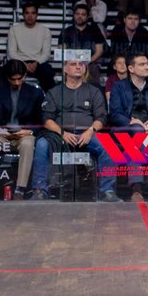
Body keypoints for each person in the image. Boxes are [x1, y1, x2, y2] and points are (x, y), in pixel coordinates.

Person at [28, 57, 121, 201]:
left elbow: (102, 117)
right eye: (73, 64)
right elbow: (47, 119)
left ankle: (107, 191)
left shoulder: (94, 91)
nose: (78, 67)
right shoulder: (54, 92)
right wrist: (62, 133)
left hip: (88, 134)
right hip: (59, 135)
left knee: (108, 146)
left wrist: (90, 131)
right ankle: (40, 190)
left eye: (81, 64)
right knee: (41, 144)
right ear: (65, 69)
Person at [0, 59, 43, 199]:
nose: (17, 82)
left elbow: (42, 121)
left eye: (20, 79)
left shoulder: (35, 93)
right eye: (13, 79)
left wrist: (30, 131)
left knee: (28, 144)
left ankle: (20, 189)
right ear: (7, 77)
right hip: (0, 134)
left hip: (24, 134)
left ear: (25, 75)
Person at [108, 53, 148, 200]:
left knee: (136, 142)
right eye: (142, 64)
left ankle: (137, 189)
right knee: (138, 131)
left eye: (147, 64)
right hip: (126, 129)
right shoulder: (119, 86)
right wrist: (132, 122)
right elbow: (114, 114)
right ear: (131, 68)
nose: (147, 67)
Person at [6, 3, 56, 90]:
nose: (30, 16)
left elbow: (46, 54)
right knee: (5, 72)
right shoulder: (14, 30)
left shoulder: (45, 31)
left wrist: (36, 63)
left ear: (37, 15)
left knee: (48, 73)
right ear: (23, 15)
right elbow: (12, 52)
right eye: (27, 13)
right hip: (19, 62)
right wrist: (23, 64)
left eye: (33, 13)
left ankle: (47, 97)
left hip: (38, 63)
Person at [59, 3, 106, 83]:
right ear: (74, 15)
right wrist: (72, 63)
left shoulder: (95, 31)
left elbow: (99, 51)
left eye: (83, 14)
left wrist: (88, 62)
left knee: (93, 69)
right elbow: (62, 50)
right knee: (68, 69)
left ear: (88, 17)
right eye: (77, 14)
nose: (80, 16)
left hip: (90, 63)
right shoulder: (66, 31)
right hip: (71, 63)